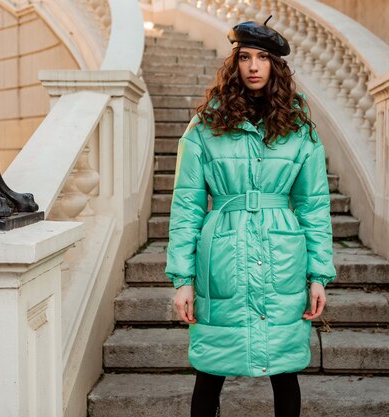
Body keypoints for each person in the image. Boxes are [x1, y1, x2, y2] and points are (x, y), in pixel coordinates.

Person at [164, 17, 336, 417]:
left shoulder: (298, 130)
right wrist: (183, 279)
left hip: (283, 256)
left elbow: (314, 206)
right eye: (245, 57)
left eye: (263, 57)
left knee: (286, 371)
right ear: (234, 63)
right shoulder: (205, 128)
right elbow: (186, 206)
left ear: (277, 66)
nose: (254, 66)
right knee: (209, 371)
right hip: (222, 258)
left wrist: (318, 274)